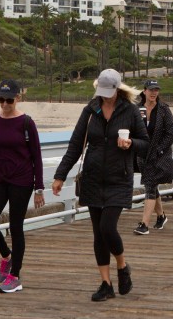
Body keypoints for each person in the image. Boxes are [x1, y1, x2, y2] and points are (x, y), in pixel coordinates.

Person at [51, 69, 148, 302]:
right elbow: (75, 145)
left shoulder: (130, 111)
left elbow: (145, 143)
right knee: (97, 233)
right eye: (102, 93)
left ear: (117, 88)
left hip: (119, 178)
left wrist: (130, 143)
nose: (105, 97)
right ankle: (106, 284)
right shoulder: (90, 110)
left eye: (109, 92)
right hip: (93, 178)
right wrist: (60, 176)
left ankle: (123, 265)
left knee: (107, 227)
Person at [0, 79, 45, 294]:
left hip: (22, 180)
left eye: (9, 100)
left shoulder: (26, 123)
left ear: (18, 98)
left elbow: (37, 156)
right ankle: (7, 257)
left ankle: (15, 277)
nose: (5, 104)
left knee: (16, 227)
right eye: (0, 100)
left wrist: (39, 188)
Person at [133, 79, 173, 235]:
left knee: (150, 185)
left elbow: (170, 133)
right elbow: (131, 128)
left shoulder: (164, 109)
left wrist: (160, 150)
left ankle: (144, 224)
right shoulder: (137, 109)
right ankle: (161, 216)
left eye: (156, 90)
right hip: (142, 153)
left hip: (159, 154)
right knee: (152, 185)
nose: (154, 93)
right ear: (144, 91)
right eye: (151, 90)